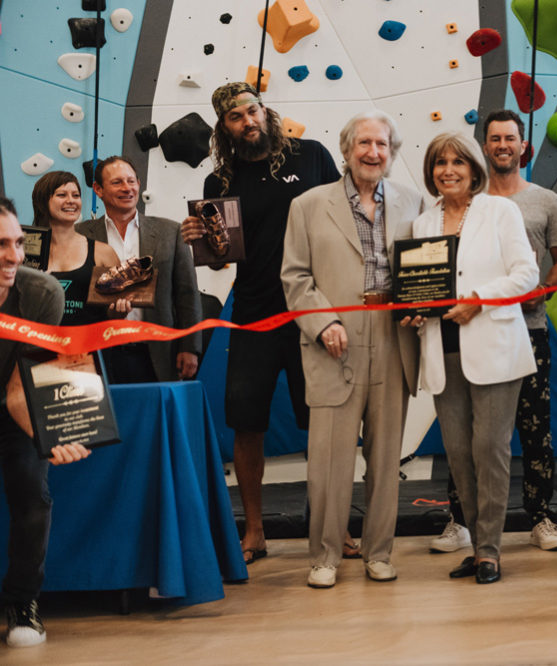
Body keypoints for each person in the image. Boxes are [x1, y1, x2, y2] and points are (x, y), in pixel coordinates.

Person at [181, 82, 341, 565]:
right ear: (224, 128)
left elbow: (343, 216)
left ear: (265, 110)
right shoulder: (219, 183)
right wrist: (199, 241)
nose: (248, 121)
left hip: (313, 310)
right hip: (253, 313)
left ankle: (331, 531)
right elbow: (217, 262)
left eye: (252, 110)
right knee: (246, 424)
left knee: (324, 424)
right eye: (236, 117)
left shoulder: (311, 156)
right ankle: (253, 532)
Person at [281, 110, 423, 588]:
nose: (373, 153)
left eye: (382, 145)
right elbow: (295, 277)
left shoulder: (411, 202)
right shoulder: (308, 204)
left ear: (391, 152)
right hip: (333, 341)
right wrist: (323, 323)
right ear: (345, 150)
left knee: (386, 460)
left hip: (393, 336)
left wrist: (423, 305)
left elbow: (425, 270)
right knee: (328, 460)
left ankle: (379, 553)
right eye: (364, 143)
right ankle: (324, 557)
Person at [432, 110, 557, 553]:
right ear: (483, 148)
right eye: (494, 139)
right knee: (467, 436)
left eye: (510, 138)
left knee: (535, 429)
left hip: (527, 329)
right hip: (465, 334)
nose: (502, 145)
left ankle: (541, 516)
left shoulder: (545, 201)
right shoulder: (460, 205)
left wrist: (543, 291)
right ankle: (461, 521)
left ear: (522, 145)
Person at [404, 131, 538, 585]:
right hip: (443, 352)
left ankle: (490, 552)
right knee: (459, 455)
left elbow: (527, 275)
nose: (448, 171)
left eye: (457, 162)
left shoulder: (501, 211)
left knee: (489, 450)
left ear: (473, 168)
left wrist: (480, 299)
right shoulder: (422, 224)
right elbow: (425, 287)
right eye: (440, 163)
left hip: (496, 348)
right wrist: (417, 310)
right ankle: (479, 546)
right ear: (431, 172)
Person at [0, 197, 91, 648]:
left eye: (17, 243)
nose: (14, 257)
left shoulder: (40, 294)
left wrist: (53, 436)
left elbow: (20, 390)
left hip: (11, 411)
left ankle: (21, 602)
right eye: (0, 245)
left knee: (33, 494)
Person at [77, 156, 202, 383]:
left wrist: (191, 347)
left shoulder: (170, 232)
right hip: (100, 353)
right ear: (98, 189)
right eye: (117, 183)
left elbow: (187, 294)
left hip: (157, 353)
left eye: (131, 181)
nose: (127, 188)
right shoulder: (81, 235)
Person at [30, 171, 131, 325]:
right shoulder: (24, 251)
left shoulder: (103, 253)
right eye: (62, 195)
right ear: (43, 201)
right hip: (38, 345)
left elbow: (112, 312)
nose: (71, 201)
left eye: (76, 195)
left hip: (87, 346)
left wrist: (117, 312)